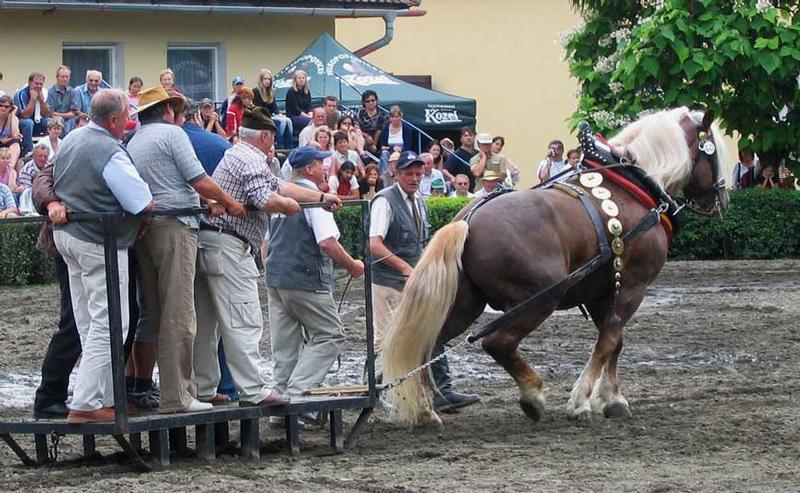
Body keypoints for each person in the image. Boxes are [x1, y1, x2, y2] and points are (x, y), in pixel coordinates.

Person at [128, 86, 245, 414]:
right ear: (167, 110)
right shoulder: (173, 134)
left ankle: (171, 391)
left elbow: (171, 182)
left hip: (147, 229)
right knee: (180, 313)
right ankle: (178, 395)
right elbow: (198, 179)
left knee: (156, 312)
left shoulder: (135, 140)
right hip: (175, 227)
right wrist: (230, 202)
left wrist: (206, 201)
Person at [52, 89, 154, 423]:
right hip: (100, 241)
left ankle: (105, 397)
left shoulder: (72, 139)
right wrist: (145, 216)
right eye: (126, 116)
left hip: (68, 238)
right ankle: (85, 403)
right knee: (110, 323)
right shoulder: (109, 150)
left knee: (88, 321)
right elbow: (140, 201)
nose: (128, 122)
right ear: (113, 120)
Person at [369, 150, 479, 412]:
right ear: (396, 174)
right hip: (388, 283)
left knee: (430, 332)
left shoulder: (419, 201)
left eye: (418, 173)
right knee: (384, 339)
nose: (414, 178)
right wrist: (406, 268)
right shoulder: (384, 201)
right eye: (409, 173)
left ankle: (443, 391)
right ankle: (373, 390)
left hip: (413, 282)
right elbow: (374, 244)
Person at [267, 146, 364, 414]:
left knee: (285, 345)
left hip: (276, 277)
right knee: (330, 334)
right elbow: (327, 242)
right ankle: (298, 398)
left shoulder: (280, 197)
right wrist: (353, 265)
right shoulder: (316, 200)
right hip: (306, 277)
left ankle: (280, 403)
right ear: (309, 169)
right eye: (321, 164)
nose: (326, 168)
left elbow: (266, 244)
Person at [183, 101, 231, 175]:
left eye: (209, 108)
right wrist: (211, 122)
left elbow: (224, 137)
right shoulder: (201, 122)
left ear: (213, 109)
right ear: (198, 115)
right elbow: (204, 135)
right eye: (205, 108)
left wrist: (216, 122)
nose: (207, 111)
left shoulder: (215, 119)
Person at [253, 68, 293, 149]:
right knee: (281, 122)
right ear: (261, 80)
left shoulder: (271, 92)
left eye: (269, 79)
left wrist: (279, 114)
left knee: (288, 120)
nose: (267, 81)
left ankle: (288, 146)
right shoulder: (256, 91)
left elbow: (274, 108)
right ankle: (278, 144)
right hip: (261, 117)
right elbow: (257, 109)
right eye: (265, 79)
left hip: (270, 115)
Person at [13, 72, 51, 156]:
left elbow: (47, 114)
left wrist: (41, 101)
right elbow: (25, 115)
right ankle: (29, 152)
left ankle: (46, 150)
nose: (39, 86)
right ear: (30, 82)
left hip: (37, 122)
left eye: (41, 84)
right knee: (28, 123)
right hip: (22, 123)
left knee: (49, 122)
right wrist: (32, 100)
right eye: (36, 83)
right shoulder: (21, 94)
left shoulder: (44, 93)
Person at [378, 105, 418, 173]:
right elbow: (383, 146)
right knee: (384, 155)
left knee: (399, 156)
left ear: (401, 117)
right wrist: (392, 148)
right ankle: (385, 175)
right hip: (389, 152)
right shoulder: (386, 128)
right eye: (392, 117)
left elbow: (408, 146)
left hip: (402, 152)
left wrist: (400, 149)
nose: (394, 119)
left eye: (396, 117)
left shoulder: (406, 129)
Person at [444, 126, 477, 192]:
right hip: (462, 190)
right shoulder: (455, 155)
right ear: (461, 139)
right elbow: (445, 170)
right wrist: (453, 178)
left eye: (471, 135)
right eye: (466, 136)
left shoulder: (478, 154)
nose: (468, 138)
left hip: (476, 189)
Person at [46, 66, 77, 133]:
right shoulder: (50, 92)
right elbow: (50, 113)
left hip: (69, 120)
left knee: (75, 120)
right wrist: (64, 116)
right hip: (54, 120)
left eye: (67, 77)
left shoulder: (72, 92)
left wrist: (59, 114)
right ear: (57, 77)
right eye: (62, 77)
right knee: (56, 121)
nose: (65, 79)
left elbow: (73, 113)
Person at [356, 90, 386, 156]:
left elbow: (379, 131)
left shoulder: (381, 114)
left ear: (376, 101)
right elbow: (356, 126)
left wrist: (373, 144)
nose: (370, 103)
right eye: (367, 101)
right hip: (362, 136)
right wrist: (366, 136)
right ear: (363, 102)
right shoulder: (359, 112)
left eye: (373, 100)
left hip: (376, 139)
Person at [0, 94, 22, 168]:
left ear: (10, 108)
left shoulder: (13, 118)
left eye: (6, 107)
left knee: (15, 144)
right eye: (1, 106)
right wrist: (5, 140)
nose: (3, 108)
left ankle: (9, 167)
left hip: (8, 144)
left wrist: (12, 114)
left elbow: (15, 135)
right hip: (2, 142)